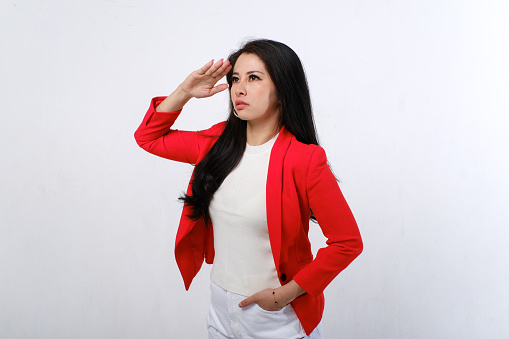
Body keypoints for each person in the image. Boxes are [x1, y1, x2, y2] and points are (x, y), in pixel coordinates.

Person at [134, 39, 363, 339]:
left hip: (277, 319)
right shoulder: (215, 144)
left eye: (253, 78)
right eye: (235, 79)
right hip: (220, 311)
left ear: (282, 89)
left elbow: (347, 242)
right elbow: (148, 137)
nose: (238, 89)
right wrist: (185, 92)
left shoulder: (305, 160)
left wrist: (285, 295)